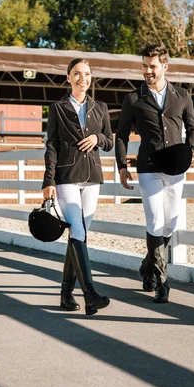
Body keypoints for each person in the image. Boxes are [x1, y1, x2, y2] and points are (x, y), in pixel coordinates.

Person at [115, 44, 194, 303]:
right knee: (154, 221)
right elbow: (120, 135)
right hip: (148, 167)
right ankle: (162, 282)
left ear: (165, 66)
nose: (147, 71)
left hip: (175, 168)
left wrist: (188, 151)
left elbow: (193, 127)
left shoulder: (182, 95)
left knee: (170, 223)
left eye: (152, 66)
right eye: (144, 66)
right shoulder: (133, 99)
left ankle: (147, 266)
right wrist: (121, 166)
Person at [42, 58, 113, 315]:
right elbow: (52, 146)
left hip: (92, 176)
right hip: (67, 177)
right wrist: (48, 181)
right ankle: (90, 294)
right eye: (77, 74)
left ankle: (65, 293)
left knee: (78, 235)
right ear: (68, 78)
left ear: (91, 78)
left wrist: (97, 138)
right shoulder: (57, 108)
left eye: (86, 73)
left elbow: (109, 141)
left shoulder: (101, 107)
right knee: (78, 232)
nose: (82, 78)